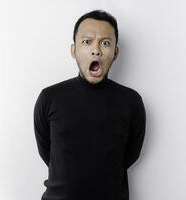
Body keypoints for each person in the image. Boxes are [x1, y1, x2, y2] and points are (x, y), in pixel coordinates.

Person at [33, 9, 146, 200]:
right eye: (87, 42)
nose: (96, 50)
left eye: (105, 43)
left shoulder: (131, 101)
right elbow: (48, 153)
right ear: (73, 50)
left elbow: (130, 155)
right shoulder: (49, 97)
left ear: (116, 52)